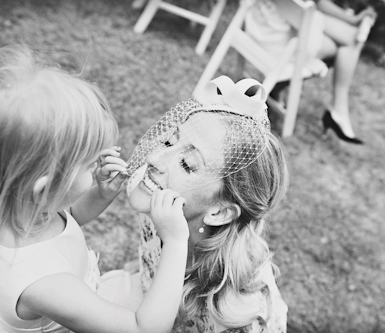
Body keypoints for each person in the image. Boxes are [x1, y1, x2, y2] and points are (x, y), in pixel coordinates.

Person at [0, 44, 189, 333]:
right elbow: (142, 328)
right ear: (45, 189)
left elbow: (67, 219)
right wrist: (175, 241)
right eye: (89, 165)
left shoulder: (19, 208)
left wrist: (99, 193)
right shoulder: (46, 284)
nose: (98, 163)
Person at [124, 76, 290, 332]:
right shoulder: (152, 194)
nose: (155, 158)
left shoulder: (234, 311)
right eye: (169, 141)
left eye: (187, 164)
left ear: (220, 212)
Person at [246, 0, 376, 144]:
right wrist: (352, 19)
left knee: (339, 44)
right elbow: (318, 5)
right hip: (279, 42)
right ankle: (338, 109)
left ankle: (278, 89)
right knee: (350, 42)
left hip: (255, 22)